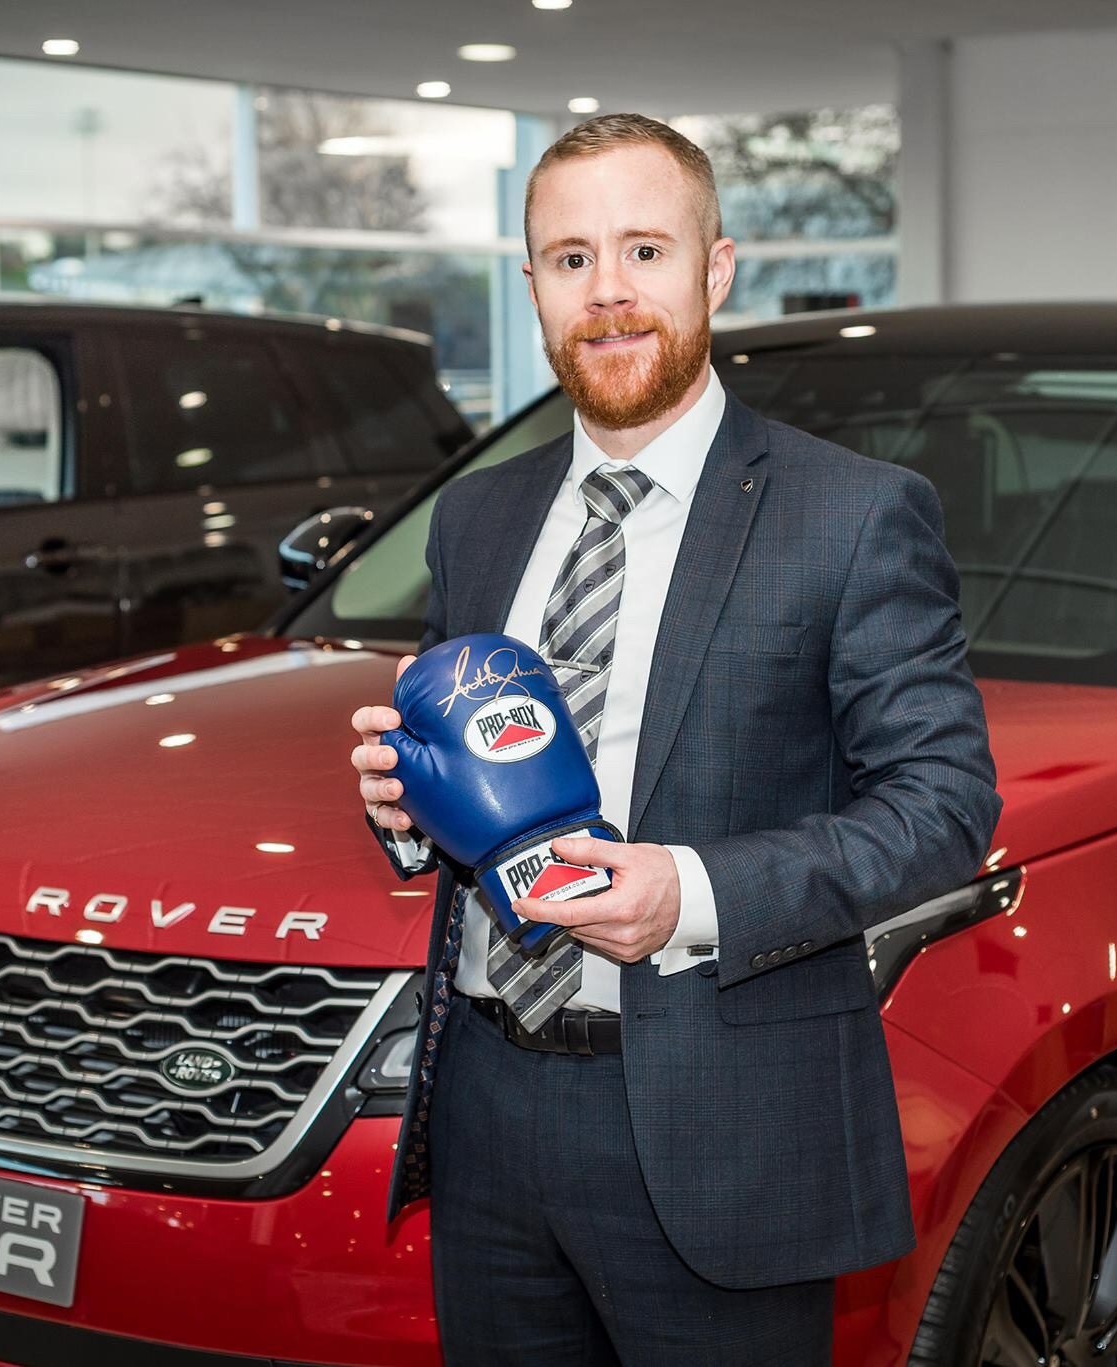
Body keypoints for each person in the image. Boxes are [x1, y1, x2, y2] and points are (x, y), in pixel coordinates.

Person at [347, 112, 1002, 1364]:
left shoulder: (852, 516)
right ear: (532, 285)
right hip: (486, 1111)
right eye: (569, 257)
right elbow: (482, 785)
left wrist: (687, 893)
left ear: (714, 268)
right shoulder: (476, 520)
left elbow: (942, 803)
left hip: (719, 1132)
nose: (608, 294)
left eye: (644, 249)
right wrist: (406, 805)